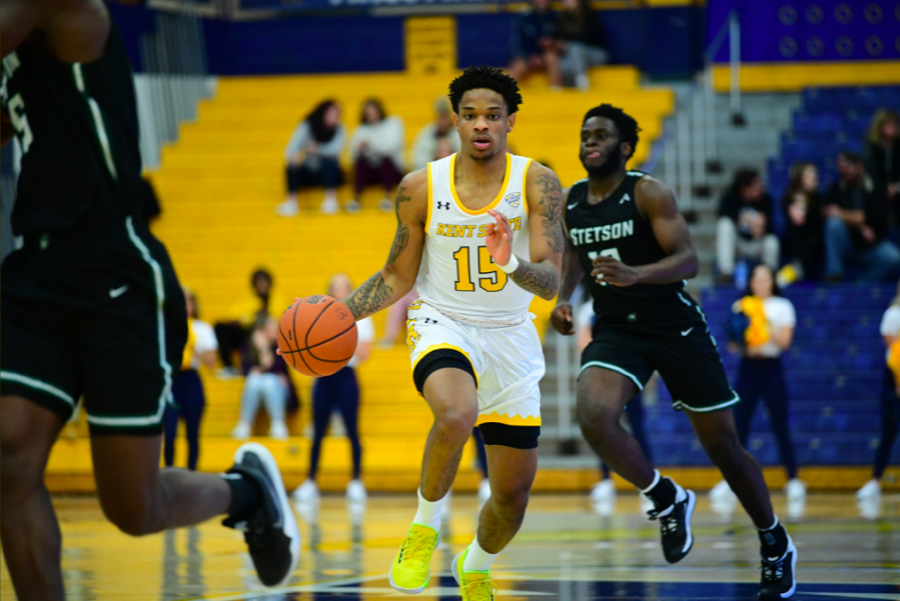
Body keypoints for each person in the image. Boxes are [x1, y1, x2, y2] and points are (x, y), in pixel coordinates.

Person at [0, 3, 299, 598]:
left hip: (114, 267)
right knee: (8, 459)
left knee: (133, 509)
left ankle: (245, 492)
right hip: (35, 267)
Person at [550, 104, 797, 599]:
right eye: (584, 135)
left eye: (601, 135)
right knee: (593, 414)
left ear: (624, 148)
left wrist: (637, 274)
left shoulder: (647, 191)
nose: (589, 142)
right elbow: (574, 257)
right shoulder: (572, 202)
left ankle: (774, 541)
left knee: (722, 447)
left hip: (674, 325)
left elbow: (689, 259)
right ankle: (665, 497)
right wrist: (562, 299)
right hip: (619, 330)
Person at [337, 66, 563, 599]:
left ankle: (476, 563)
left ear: (510, 121)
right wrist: (343, 313)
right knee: (456, 413)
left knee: (512, 496)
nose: (481, 125)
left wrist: (511, 265)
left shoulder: (538, 182)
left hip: (511, 335)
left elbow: (551, 281)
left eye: (492, 115)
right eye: (469, 115)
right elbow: (397, 276)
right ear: (455, 123)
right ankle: (424, 528)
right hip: (444, 321)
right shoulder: (418, 187)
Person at [710, 265, 804, 503]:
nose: (761, 283)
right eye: (756, 279)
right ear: (751, 282)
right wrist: (742, 334)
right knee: (738, 426)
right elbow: (733, 344)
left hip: (771, 368)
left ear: (772, 281)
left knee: (780, 423)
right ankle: (730, 481)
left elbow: (785, 342)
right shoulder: (741, 305)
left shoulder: (782, 306)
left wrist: (763, 324)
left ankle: (792, 479)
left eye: (765, 278)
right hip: (748, 367)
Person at [293, 273, 375, 505]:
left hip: (347, 377)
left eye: (344, 286)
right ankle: (310, 480)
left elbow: (364, 352)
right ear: (329, 290)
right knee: (318, 431)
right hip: (324, 377)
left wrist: (336, 344)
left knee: (352, 430)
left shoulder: (362, 318)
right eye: (335, 287)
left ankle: (356, 480)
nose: (339, 290)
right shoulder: (318, 317)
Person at [574, 300, 651, 510]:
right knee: (604, 429)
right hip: (603, 379)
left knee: (638, 428)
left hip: (630, 375)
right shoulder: (589, 309)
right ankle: (606, 480)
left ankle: (649, 484)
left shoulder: (630, 302)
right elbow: (583, 343)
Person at [822, 151, 900, 282]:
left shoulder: (876, 187)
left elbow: (868, 216)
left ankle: (862, 284)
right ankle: (835, 273)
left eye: (848, 168)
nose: (845, 173)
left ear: (859, 166)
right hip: (848, 244)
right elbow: (826, 210)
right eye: (842, 171)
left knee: (893, 257)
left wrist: (842, 213)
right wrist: (860, 226)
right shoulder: (837, 188)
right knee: (833, 224)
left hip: (872, 245)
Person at [164, 287, 218, 471]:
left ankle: (191, 475)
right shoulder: (167, 327)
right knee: (169, 434)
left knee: (192, 435)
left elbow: (212, 362)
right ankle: (169, 474)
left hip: (191, 380)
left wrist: (192, 347)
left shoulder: (202, 329)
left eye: (188, 301)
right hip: (172, 380)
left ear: (194, 305)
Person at [857, 280, 900, 501]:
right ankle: (875, 480)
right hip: (894, 377)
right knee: (889, 430)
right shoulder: (894, 313)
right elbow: (895, 351)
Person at [277, 99, 346, 217]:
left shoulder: (340, 129)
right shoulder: (307, 126)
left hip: (329, 173)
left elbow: (336, 150)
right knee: (291, 164)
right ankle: (292, 202)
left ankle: (330, 200)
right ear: (323, 113)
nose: (335, 117)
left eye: (337, 114)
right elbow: (290, 149)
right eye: (332, 113)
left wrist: (318, 149)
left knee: (329, 162)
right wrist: (296, 156)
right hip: (308, 170)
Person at [214, 268, 287, 378]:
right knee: (220, 327)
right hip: (249, 333)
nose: (262, 285)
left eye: (264, 282)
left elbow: (277, 320)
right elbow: (236, 316)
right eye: (259, 282)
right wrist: (254, 315)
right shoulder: (249, 300)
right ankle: (229, 366)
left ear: (269, 283)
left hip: (270, 336)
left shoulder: (278, 300)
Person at [231, 315, 292, 440]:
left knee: (268, 380)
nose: (276, 329)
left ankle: (278, 423)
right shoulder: (249, 347)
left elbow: (276, 368)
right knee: (254, 379)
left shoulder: (280, 347)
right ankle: (245, 424)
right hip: (257, 390)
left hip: (280, 392)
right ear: (261, 330)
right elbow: (246, 370)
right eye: (272, 326)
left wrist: (264, 349)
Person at [715, 169, 779, 285]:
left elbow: (771, 229)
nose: (761, 188)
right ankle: (726, 272)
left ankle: (769, 276)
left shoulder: (766, 200)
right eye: (756, 185)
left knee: (772, 241)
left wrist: (762, 229)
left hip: (757, 243)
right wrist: (749, 220)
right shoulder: (730, 198)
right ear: (745, 188)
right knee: (724, 224)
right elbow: (723, 215)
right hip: (737, 244)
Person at [349, 99, 405, 213]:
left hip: (391, 169)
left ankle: (387, 197)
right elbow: (353, 155)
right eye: (368, 111)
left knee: (386, 160)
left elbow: (392, 147)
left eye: (373, 110)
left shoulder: (393, 123)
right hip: (370, 171)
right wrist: (360, 149)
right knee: (361, 162)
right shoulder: (360, 129)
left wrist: (371, 145)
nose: (371, 114)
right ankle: (356, 199)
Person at [779, 162, 823, 284]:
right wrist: (797, 208)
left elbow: (817, 220)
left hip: (817, 241)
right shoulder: (788, 198)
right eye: (809, 174)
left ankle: (803, 268)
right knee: (797, 229)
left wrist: (805, 208)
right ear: (799, 179)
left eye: (815, 173)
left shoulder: (819, 198)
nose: (814, 176)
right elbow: (795, 219)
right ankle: (798, 265)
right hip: (796, 241)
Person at [862, 109, 899, 238]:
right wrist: (883, 190)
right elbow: (869, 175)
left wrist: (897, 187)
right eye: (888, 124)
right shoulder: (870, 148)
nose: (892, 128)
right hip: (877, 193)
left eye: (894, 124)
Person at [507, 0, 562, 88]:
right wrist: (530, 56)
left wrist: (552, 44)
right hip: (528, 57)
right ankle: (502, 93)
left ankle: (556, 90)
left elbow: (562, 40)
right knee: (518, 65)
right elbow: (518, 43)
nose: (542, 1)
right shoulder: (524, 18)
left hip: (548, 56)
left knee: (551, 57)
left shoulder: (556, 17)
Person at [557, 0, 609, 91]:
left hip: (595, 53)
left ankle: (582, 81)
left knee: (575, 48)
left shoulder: (589, 15)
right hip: (574, 56)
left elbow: (594, 38)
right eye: (563, 1)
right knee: (564, 65)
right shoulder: (564, 18)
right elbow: (560, 38)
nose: (565, 3)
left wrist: (569, 43)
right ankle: (571, 90)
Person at [410, 97, 461, 172]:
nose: (443, 121)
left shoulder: (459, 134)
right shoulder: (425, 135)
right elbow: (417, 161)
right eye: (440, 117)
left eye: (445, 117)